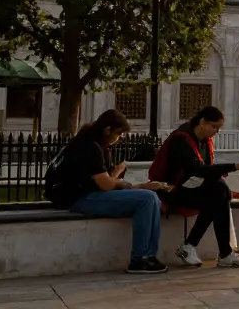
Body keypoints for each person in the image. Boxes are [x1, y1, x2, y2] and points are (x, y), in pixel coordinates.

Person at [44, 109, 170, 274]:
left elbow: (104, 179)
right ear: (107, 130)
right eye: (118, 134)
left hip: (85, 195)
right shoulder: (89, 147)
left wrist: (118, 173)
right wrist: (135, 186)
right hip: (80, 199)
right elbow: (106, 185)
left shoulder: (92, 143)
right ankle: (139, 258)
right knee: (146, 198)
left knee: (151, 197)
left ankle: (148, 255)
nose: (119, 139)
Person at [158, 106, 239, 268]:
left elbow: (206, 173)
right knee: (218, 191)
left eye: (218, 128)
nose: (216, 131)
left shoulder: (204, 142)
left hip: (192, 189)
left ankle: (207, 249)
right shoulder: (181, 139)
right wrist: (235, 166)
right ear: (202, 121)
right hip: (172, 191)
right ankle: (207, 249)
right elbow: (198, 170)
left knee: (220, 190)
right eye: (214, 126)